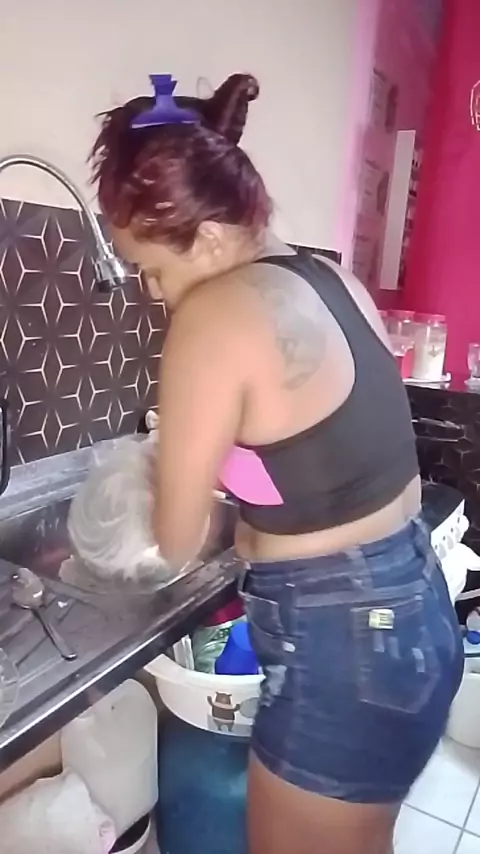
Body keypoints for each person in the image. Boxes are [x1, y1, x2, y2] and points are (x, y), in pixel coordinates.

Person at [90, 72, 464, 854]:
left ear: (210, 238)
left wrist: (139, 485)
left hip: (345, 648)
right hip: (414, 618)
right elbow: (312, 464)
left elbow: (175, 539)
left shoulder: (213, 316)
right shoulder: (332, 281)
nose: (154, 294)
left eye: (153, 269)